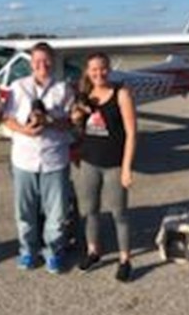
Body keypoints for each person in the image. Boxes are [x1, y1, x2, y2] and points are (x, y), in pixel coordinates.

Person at [3, 42, 74, 274]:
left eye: (46, 61)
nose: (41, 65)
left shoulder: (63, 89)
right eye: (36, 61)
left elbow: (72, 122)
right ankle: (27, 250)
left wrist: (49, 121)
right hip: (24, 159)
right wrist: (24, 129)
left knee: (57, 213)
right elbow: (7, 118)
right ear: (31, 63)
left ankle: (53, 252)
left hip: (54, 159)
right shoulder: (18, 86)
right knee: (25, 211)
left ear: (53, 62)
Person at [70, 52, 137, 282]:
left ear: (109, 69)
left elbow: (131, 133)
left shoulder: (121, 93)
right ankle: (93, 251)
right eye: (94, 69)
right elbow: (78, 127)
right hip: (89, 163)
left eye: (103, 68)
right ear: (88, 72)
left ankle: (125, 259)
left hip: (114, 165)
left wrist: (127, 167)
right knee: (90, 211)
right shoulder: (85, 95)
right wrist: (77, 116)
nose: (99, 73)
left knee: (119, 213)